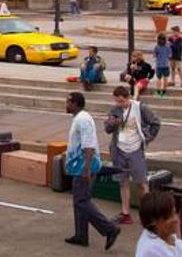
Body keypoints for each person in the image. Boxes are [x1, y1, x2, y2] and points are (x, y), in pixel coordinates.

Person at [64, 91, 120, 250]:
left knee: (81, 202)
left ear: (75, 104)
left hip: (84, 167)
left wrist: (86, 169)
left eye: (68, 102)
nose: (66, 104)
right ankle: (81, 235)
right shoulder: (79, 118)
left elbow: (88, 146)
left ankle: (109, 229)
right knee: (80, 201)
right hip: (80, 167)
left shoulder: (83, 120)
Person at [104, 85, 161, 225]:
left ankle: (148, 214)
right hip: (119, 149)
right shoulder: (115, 110)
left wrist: (148, 138)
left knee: (142, 182)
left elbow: (155, 122)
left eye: (121, 101)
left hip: (135, 149)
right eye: (116, 101)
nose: (119, 104)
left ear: (128, 98)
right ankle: (125, 213)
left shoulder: (140, 108)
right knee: (122, 182)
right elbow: (107, 129)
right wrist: (113, 123)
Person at [135, 191, 182, 257]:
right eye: (168, 218)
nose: (176, 219)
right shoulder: (151, 250)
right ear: (153, 221)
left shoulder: (167, 234)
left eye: (174, 213)